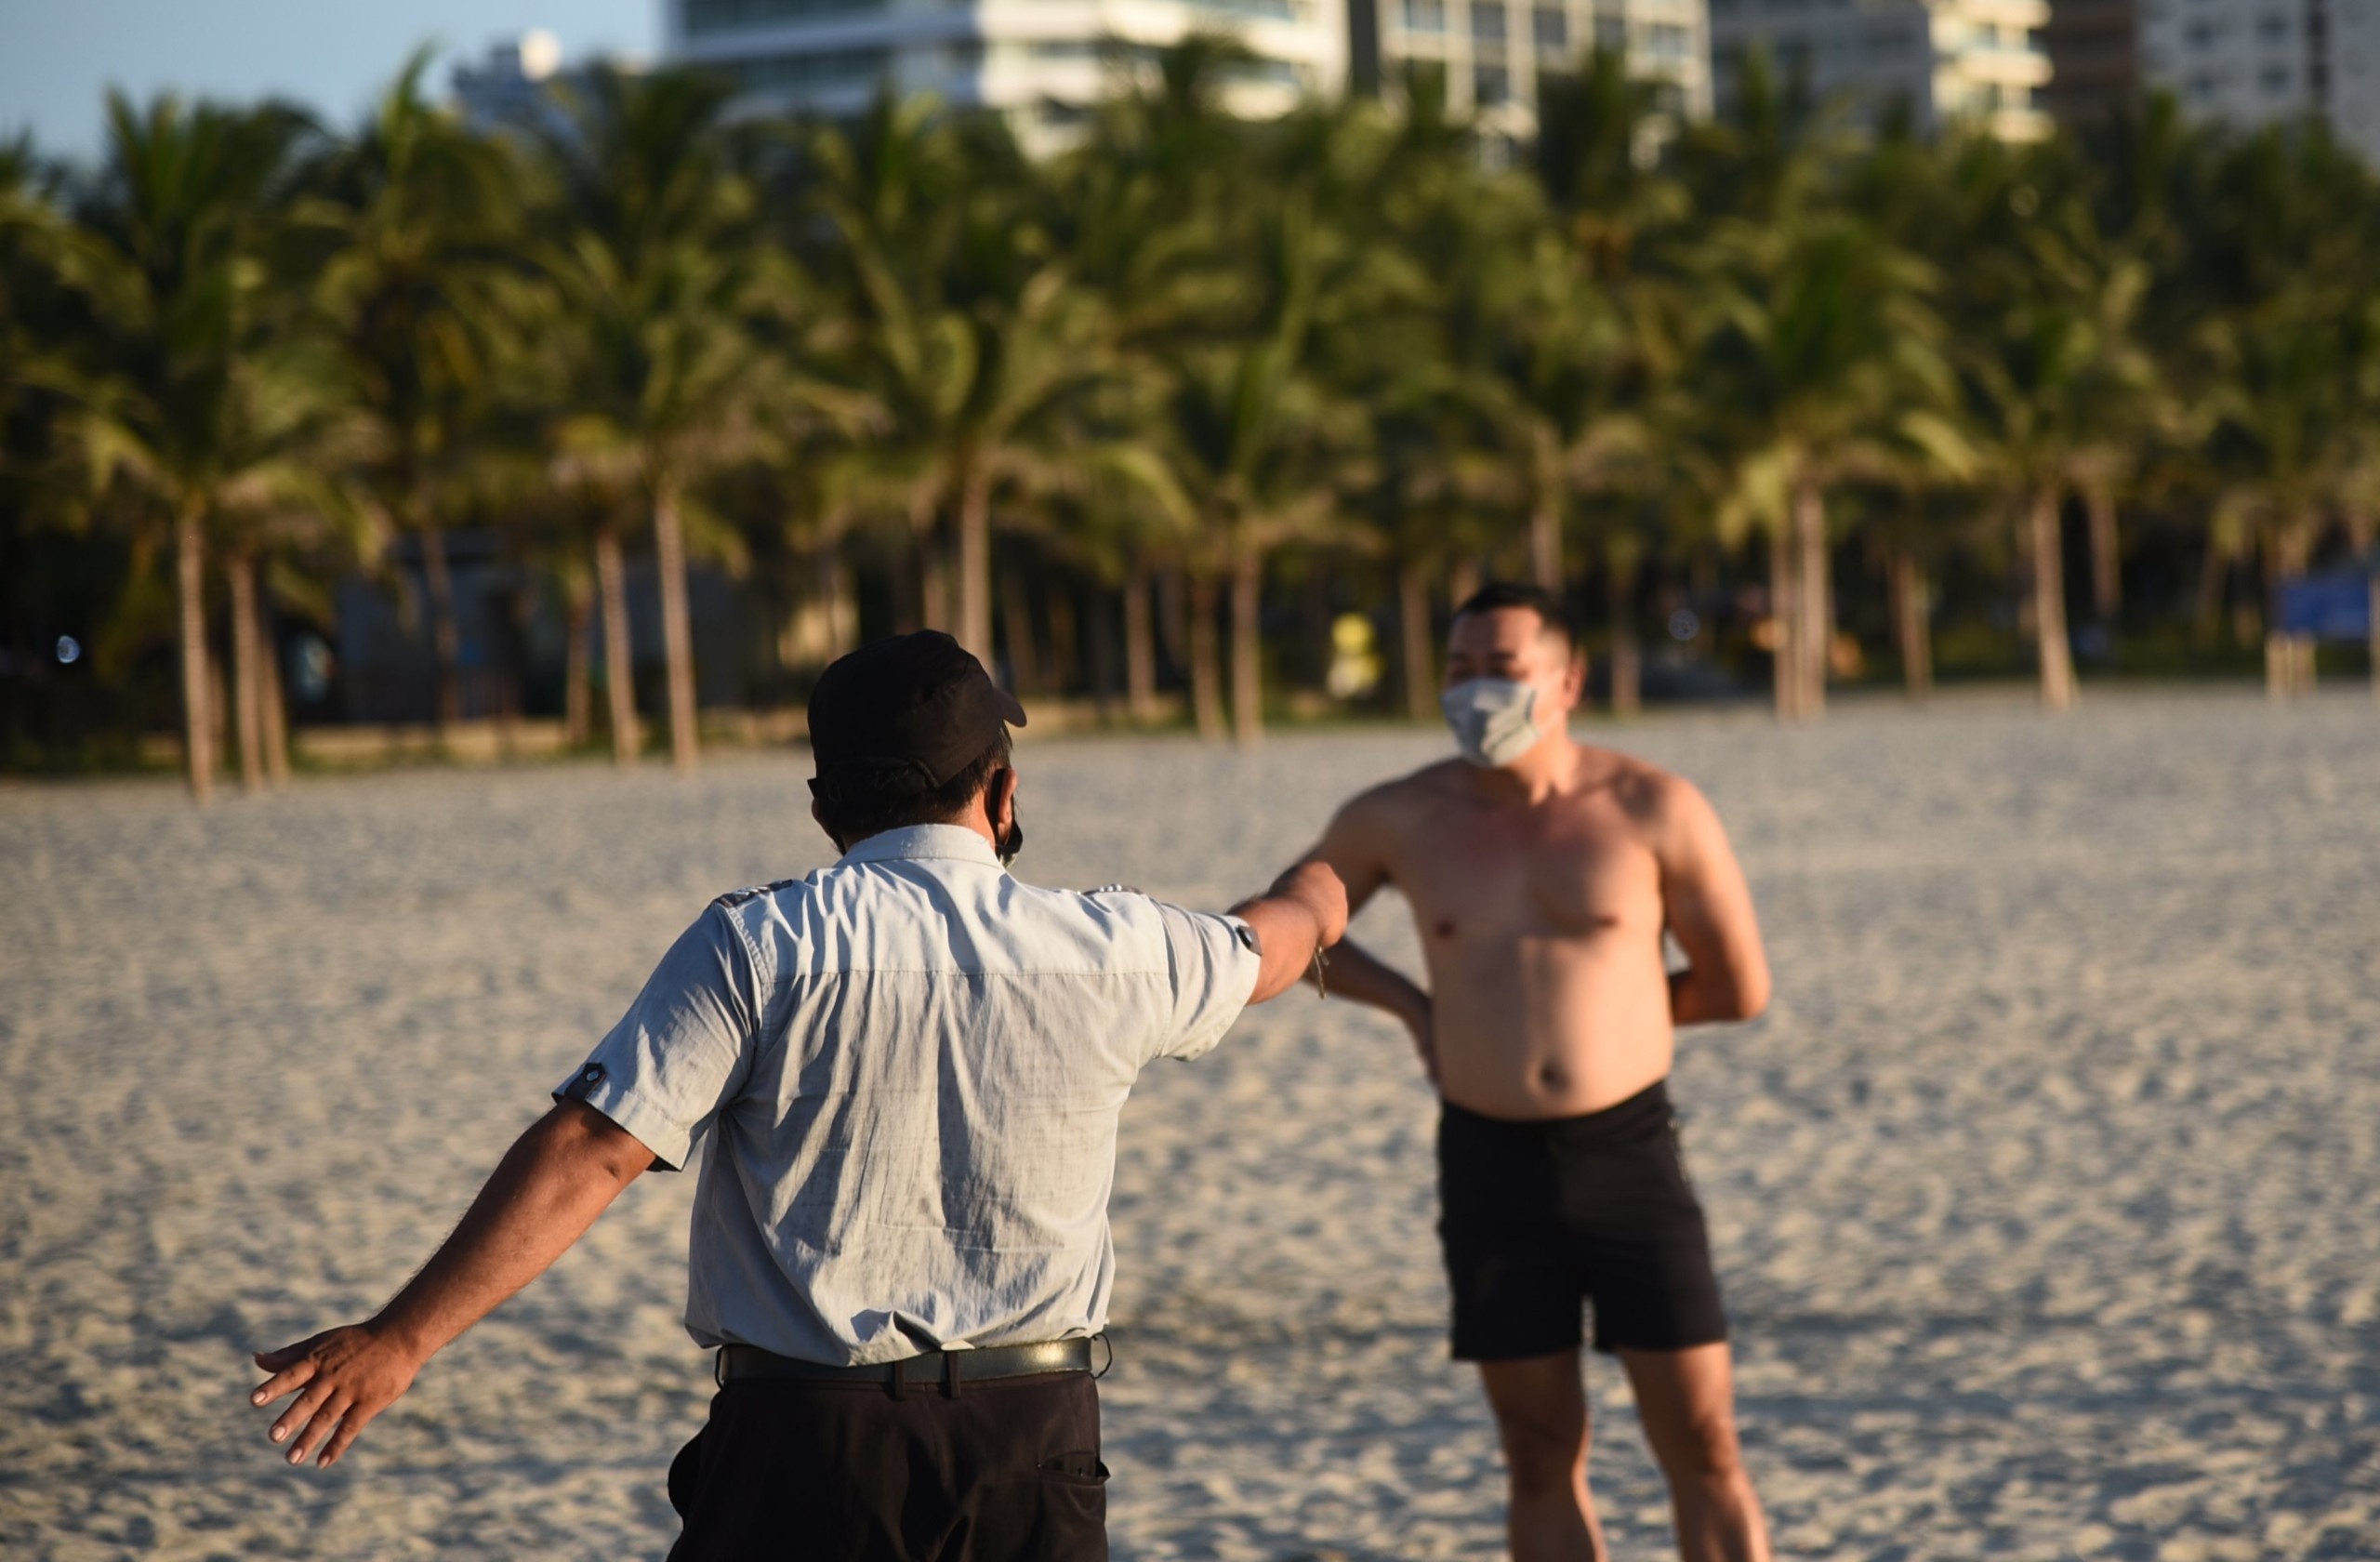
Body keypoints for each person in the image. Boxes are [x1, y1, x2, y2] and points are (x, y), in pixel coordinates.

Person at [246, 630, 1349, 1562]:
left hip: (803, 1439)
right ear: (1002, 792)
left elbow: (593, 1148)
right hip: (1032, 1442)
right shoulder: (1113, 948)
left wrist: (402, 1339)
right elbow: (1271, 948)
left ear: (825, 808)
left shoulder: (759, 945)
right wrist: (1326, 887)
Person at [1302, 582, 1774, 1562]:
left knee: (1702, 1442)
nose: (1476, 692)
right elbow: (1287, 927)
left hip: (1628, 1153)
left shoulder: (1651, 806)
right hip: (1487, 1159)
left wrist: (1622, 1013)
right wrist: (1416, 1007)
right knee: (1535, 1448)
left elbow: (1738, 987)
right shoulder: (1401, 816)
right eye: (1459, 672)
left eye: (1502, 672)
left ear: (1565, 682)